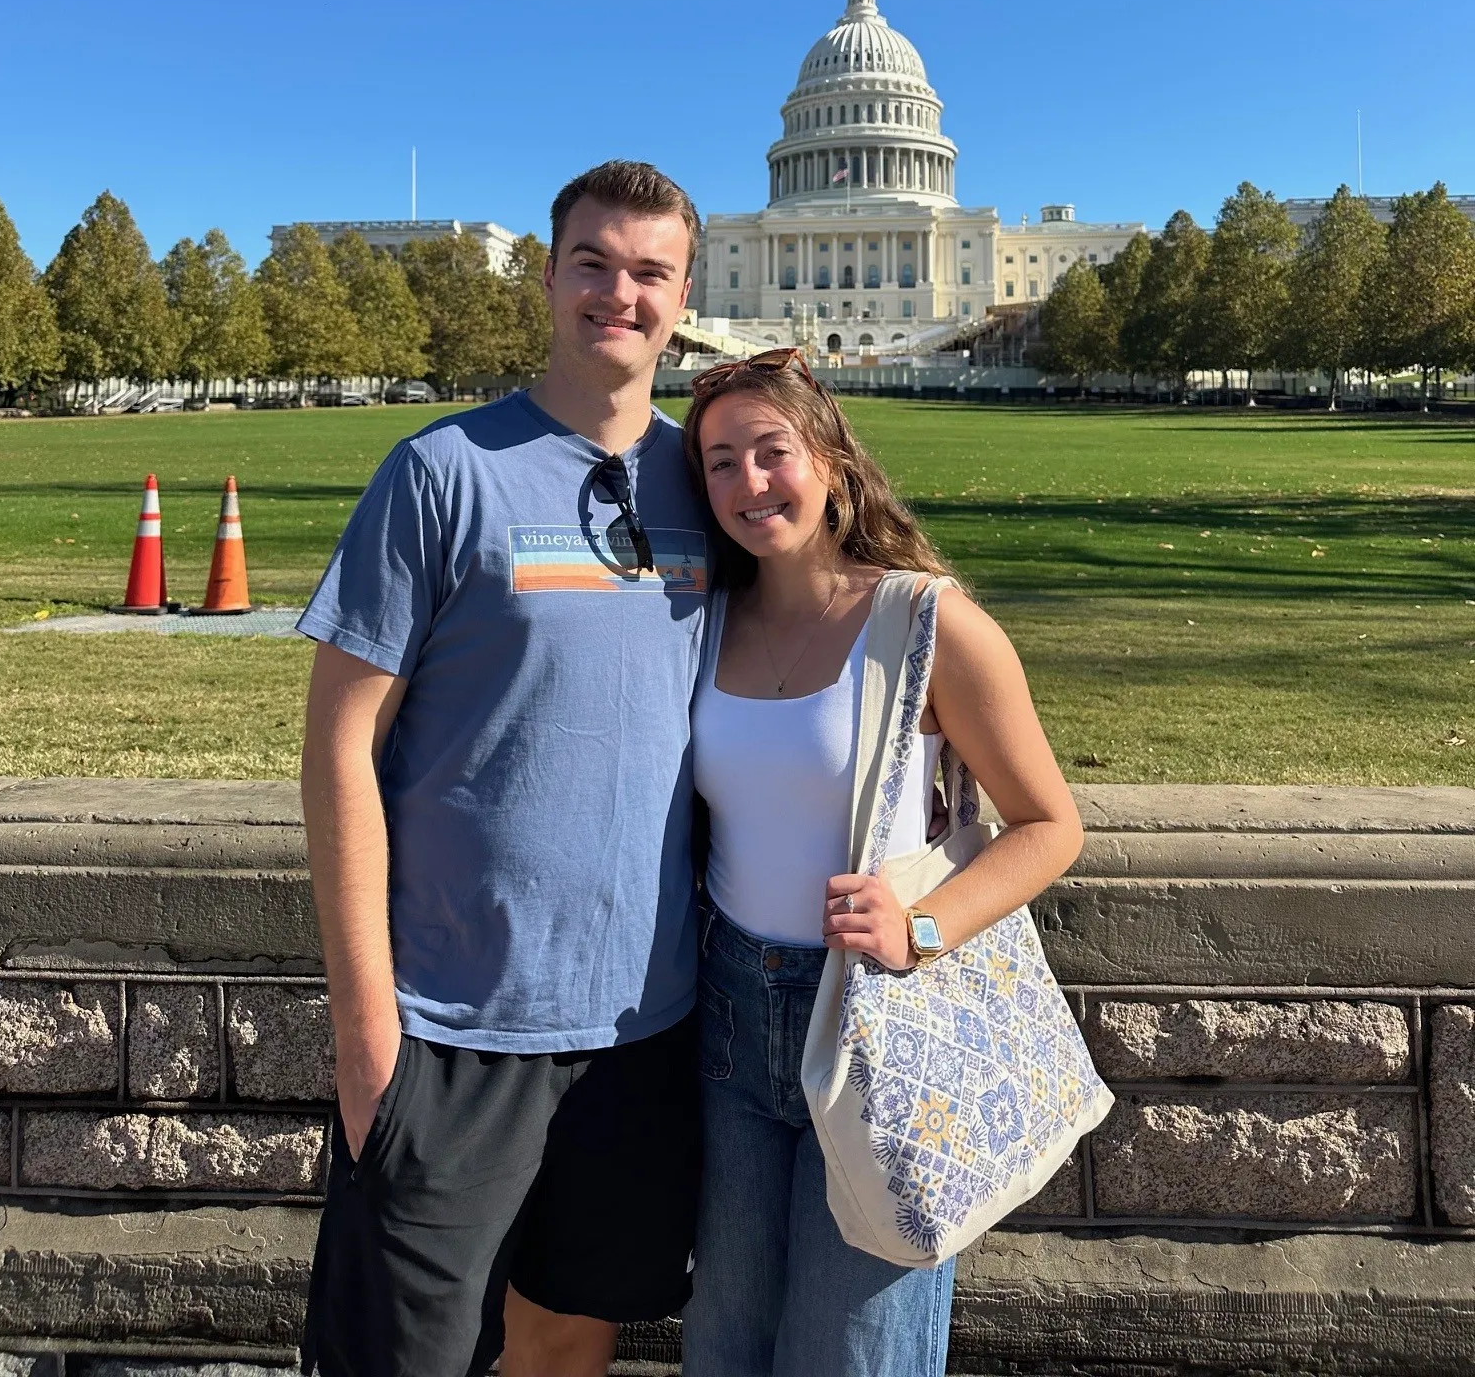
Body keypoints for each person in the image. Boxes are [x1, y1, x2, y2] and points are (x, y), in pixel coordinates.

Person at [298, 161, 710, 1377]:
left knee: (570, 1341)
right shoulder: (440, 472)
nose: (617, 295)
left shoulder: (717, 483)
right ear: (547, 277)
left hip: (643, 1029)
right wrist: (367, 1031)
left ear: (685, 293)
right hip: (449, 1026)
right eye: (592, 263)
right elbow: (338, 747)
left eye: (649, 272)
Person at [678, 349, 1086, 1377]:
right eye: (719, 463)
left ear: (832, 463)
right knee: (725, 1339)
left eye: (771, 452)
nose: (747, 483)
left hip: (873, 1012)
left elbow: (1049, 824)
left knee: (854, 1351)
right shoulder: (703, 622)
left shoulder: (927, 623)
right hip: (731, 1012)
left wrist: (926, 926)